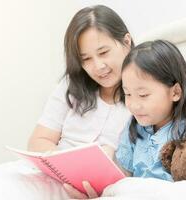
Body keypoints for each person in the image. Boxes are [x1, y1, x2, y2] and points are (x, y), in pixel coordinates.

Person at [66, 40, 186, 199]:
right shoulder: (133, 129)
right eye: (127, 94)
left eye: (143, 95)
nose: (134, 105)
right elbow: (124, 177)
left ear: (175, 92)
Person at [27, 4, 133, 159]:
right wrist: (68, 164)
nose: (98, 66)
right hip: (59, 171)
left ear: (126, 42)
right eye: (86, 59)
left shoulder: (146, 91)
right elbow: (39, 141)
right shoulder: (71, 85)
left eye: (103, 52)